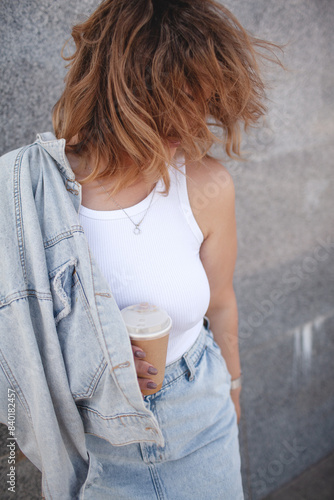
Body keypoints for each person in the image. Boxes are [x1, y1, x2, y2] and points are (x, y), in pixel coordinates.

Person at [0, 0, 281, 498]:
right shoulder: (33, 193)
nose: (193, 128)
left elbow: (221, 301)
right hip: (92, 444)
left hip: (200, 415)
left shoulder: (207, 187)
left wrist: (233, 389)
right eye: (174, 109)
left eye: (202, 103)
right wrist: (91, 349)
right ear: (122, 97)